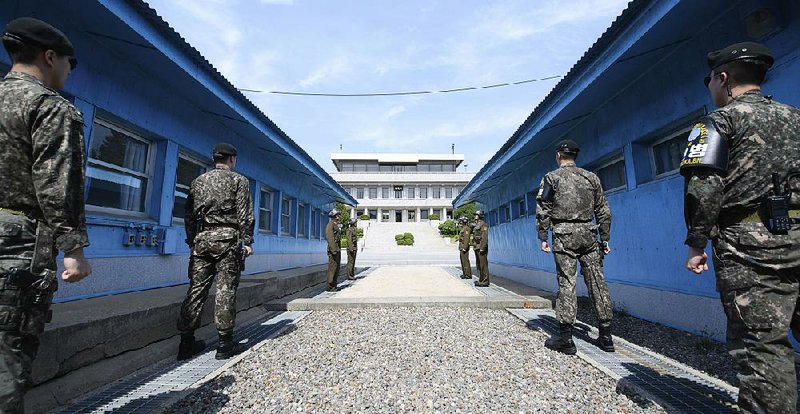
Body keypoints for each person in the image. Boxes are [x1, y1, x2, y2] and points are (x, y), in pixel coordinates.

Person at [681, 41, 800, 413]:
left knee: (761, 344)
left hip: (748, 246)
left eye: (710, 81)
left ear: (723, 78)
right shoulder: (796, 117)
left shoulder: (718, 122)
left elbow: (703, 189)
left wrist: (696, 242)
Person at [0, 17, 92, 411]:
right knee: (7, 356)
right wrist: (73, 247)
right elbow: (57, 184)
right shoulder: (50, 107)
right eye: (69, 63)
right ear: (50, 57)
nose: (69, 72)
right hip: (18, 243)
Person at [536, 140, 614, 355]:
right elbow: (604, 211)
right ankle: (606, 337)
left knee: (567, 282)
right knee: (597, 281)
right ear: (575, 156)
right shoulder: (591, 177)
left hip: (563, 236)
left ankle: (566, 339)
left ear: (558, 156)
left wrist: (543, 235)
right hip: (589, 234)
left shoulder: (552, 178)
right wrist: (605, 238)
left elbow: (543, 209)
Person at [177, 143, 253, 361]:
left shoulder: (198, 182)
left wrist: (192, 242)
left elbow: (189, 215)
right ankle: (224, 344)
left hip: (202, 241)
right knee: (226, 290)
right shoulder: (239, 181)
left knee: (196, 289)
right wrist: (248, 241)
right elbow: (245, 214)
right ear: (232, 159)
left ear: (215, 159)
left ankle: (186, 343)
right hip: (228, 240)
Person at [325, 210, 342, 291]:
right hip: (333, 250)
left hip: (337, 249)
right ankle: (330, 286)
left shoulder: (335, 225)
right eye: (338, 215)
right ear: (334, 216)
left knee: (336, 268)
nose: (339, 216)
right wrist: (333, 250)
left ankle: (334, 285)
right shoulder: (330, 225)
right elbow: (330, 238)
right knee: (332, 268)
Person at [472, 211, 489, 287]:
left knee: (483, 265)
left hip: (481, 247)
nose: (475, 216)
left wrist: (482, 247)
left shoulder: (483, 224)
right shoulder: (477, 224)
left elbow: (484, 236)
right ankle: (481, 280)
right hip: (477, 246)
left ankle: (485, 281)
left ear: (480, 215)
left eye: (476, 214)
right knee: (479, 265)